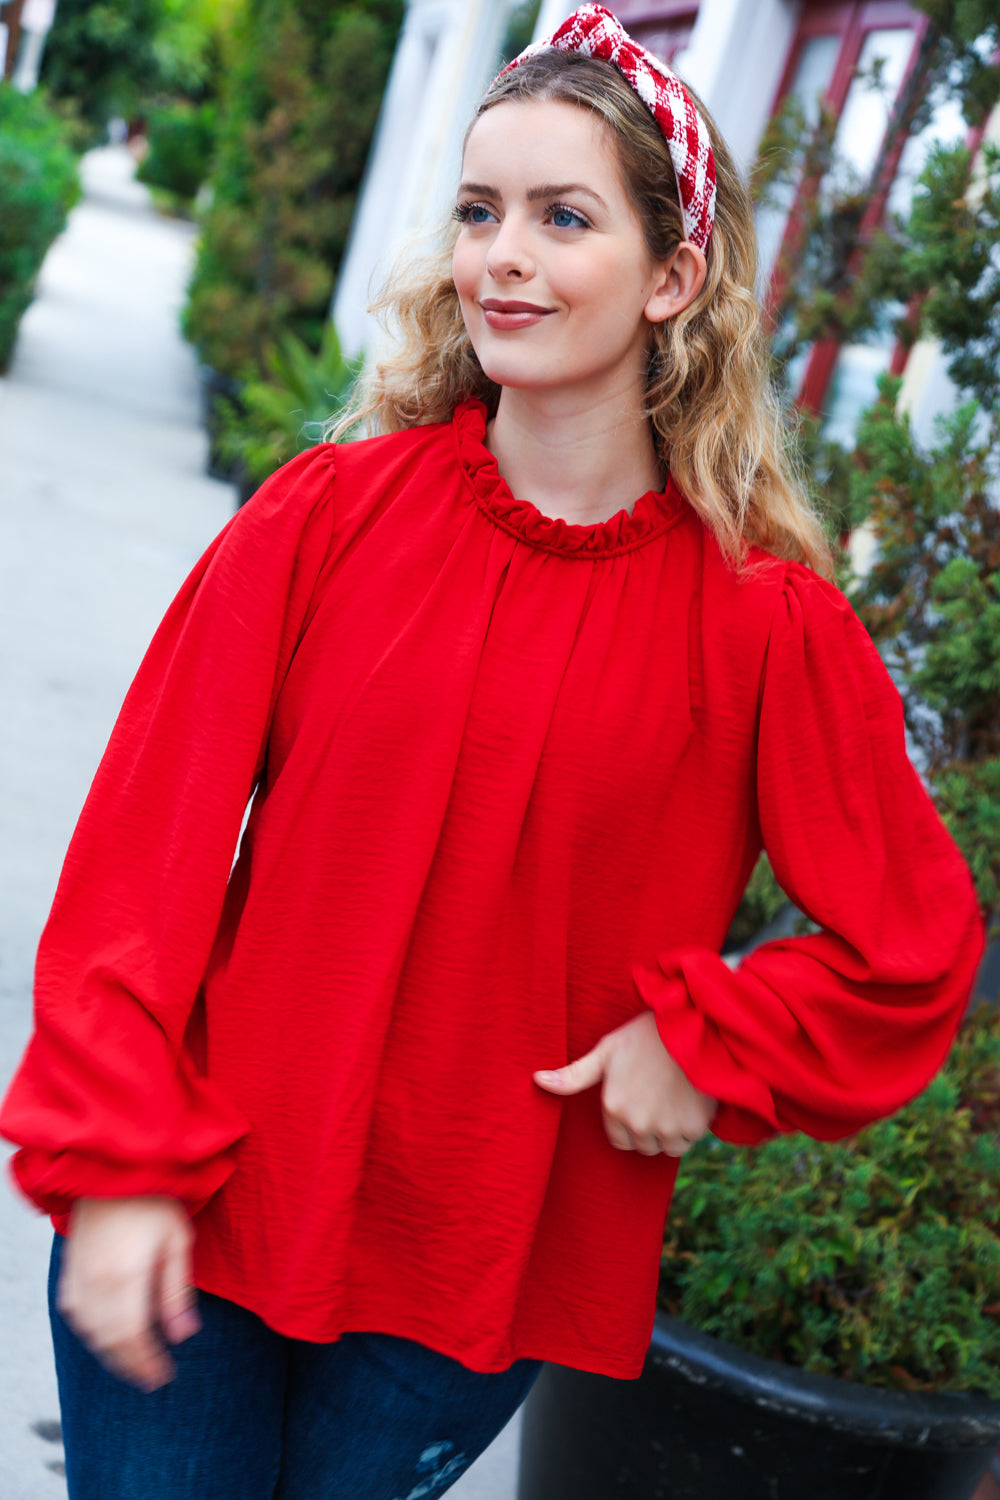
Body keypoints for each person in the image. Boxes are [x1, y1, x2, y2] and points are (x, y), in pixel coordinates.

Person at [0, 6, 985, 1497]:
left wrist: (708, 1038)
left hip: (469, 1274)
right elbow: (136, 878)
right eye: (480, 211)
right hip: (200, 1210)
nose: (501, 254)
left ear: (673, 277)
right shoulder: (322, 523)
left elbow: (909, 947)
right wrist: (122, 1164)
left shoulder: (764, 630)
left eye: (561, 216)